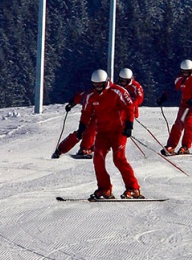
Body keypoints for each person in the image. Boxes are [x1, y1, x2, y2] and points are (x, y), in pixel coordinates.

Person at [86, 69, 141, 199]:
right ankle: (105, 189)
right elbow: (86, 113)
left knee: (119, 159)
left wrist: (129, 124)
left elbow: (130, 107)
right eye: (95, 85)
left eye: (100, 85)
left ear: (106, 82)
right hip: (103, 132)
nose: (98, 87)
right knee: (98, 158)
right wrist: (82, 126)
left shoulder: (118, 91)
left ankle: (133, 188)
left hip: (118, 131)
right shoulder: (91, 96)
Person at [156, 59, 192, 155]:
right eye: (183, 71)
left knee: (188, 122)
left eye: (187, 71)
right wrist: (164, 97)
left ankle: (186, 146)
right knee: (179, 123)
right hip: (186, 105)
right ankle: (171, 146)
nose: (185, 73)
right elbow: (172, 88)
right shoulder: (180, 78)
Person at [52, 88, 96, 159]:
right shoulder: (91, 86)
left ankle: (89, 149)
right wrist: (71, 104)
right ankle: (61, 150)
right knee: (82, 132)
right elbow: (81, 93)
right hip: (87, 115)